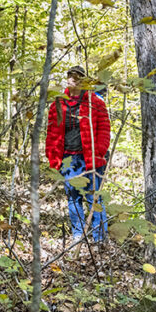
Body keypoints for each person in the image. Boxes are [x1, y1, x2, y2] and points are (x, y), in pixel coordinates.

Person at [45, 65, 111, 242]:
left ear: (83, 80)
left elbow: (104, 129)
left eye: (77, 77)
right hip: (68, 159)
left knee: (93, 198)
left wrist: (99, 152)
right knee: (73, 198)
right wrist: (53, 159)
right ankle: (78, 235)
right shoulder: (57, 104)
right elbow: (51, 133)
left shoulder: (94, 102)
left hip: (90, 158)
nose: (73, 80)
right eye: (70, 77)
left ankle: (98, 238)